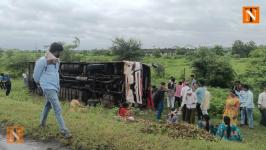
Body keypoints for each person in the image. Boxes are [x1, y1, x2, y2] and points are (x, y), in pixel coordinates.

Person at [33, 42, 72, 139]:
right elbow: (35, 76)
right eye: (60, 52)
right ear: (55, 51)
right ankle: (64, 131)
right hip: (47, 87)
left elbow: (55, 74)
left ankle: (41, 124)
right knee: (57, 108)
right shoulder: (42, 61)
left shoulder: (56, 61)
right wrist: (41, 84)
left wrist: (57, 86)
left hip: (54, 87)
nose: (60, 54)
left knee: (48, 106)